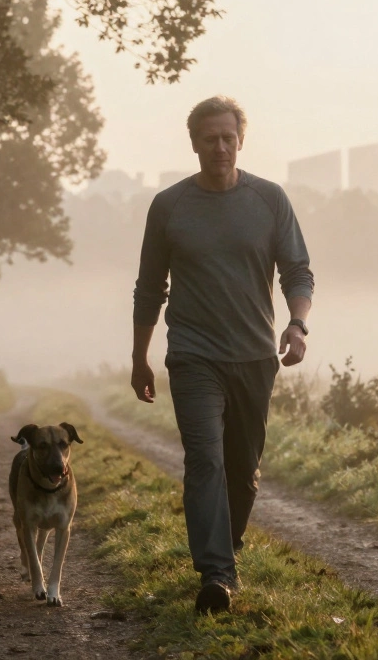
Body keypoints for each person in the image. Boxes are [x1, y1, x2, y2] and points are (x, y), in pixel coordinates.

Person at [130, 95, 314, 615]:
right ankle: (216, 574)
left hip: (255, 356)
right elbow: (150, 287)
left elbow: (297, 271)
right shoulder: (169, 206)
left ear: (241, 141)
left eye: (228, 137)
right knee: (205, 459)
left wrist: (297, 324)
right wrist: (140, 357)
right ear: (194, 144)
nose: (220, 147)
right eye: (209, 138)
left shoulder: (269, 199)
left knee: (242, 468)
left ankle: (226, 546)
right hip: (193, 356)